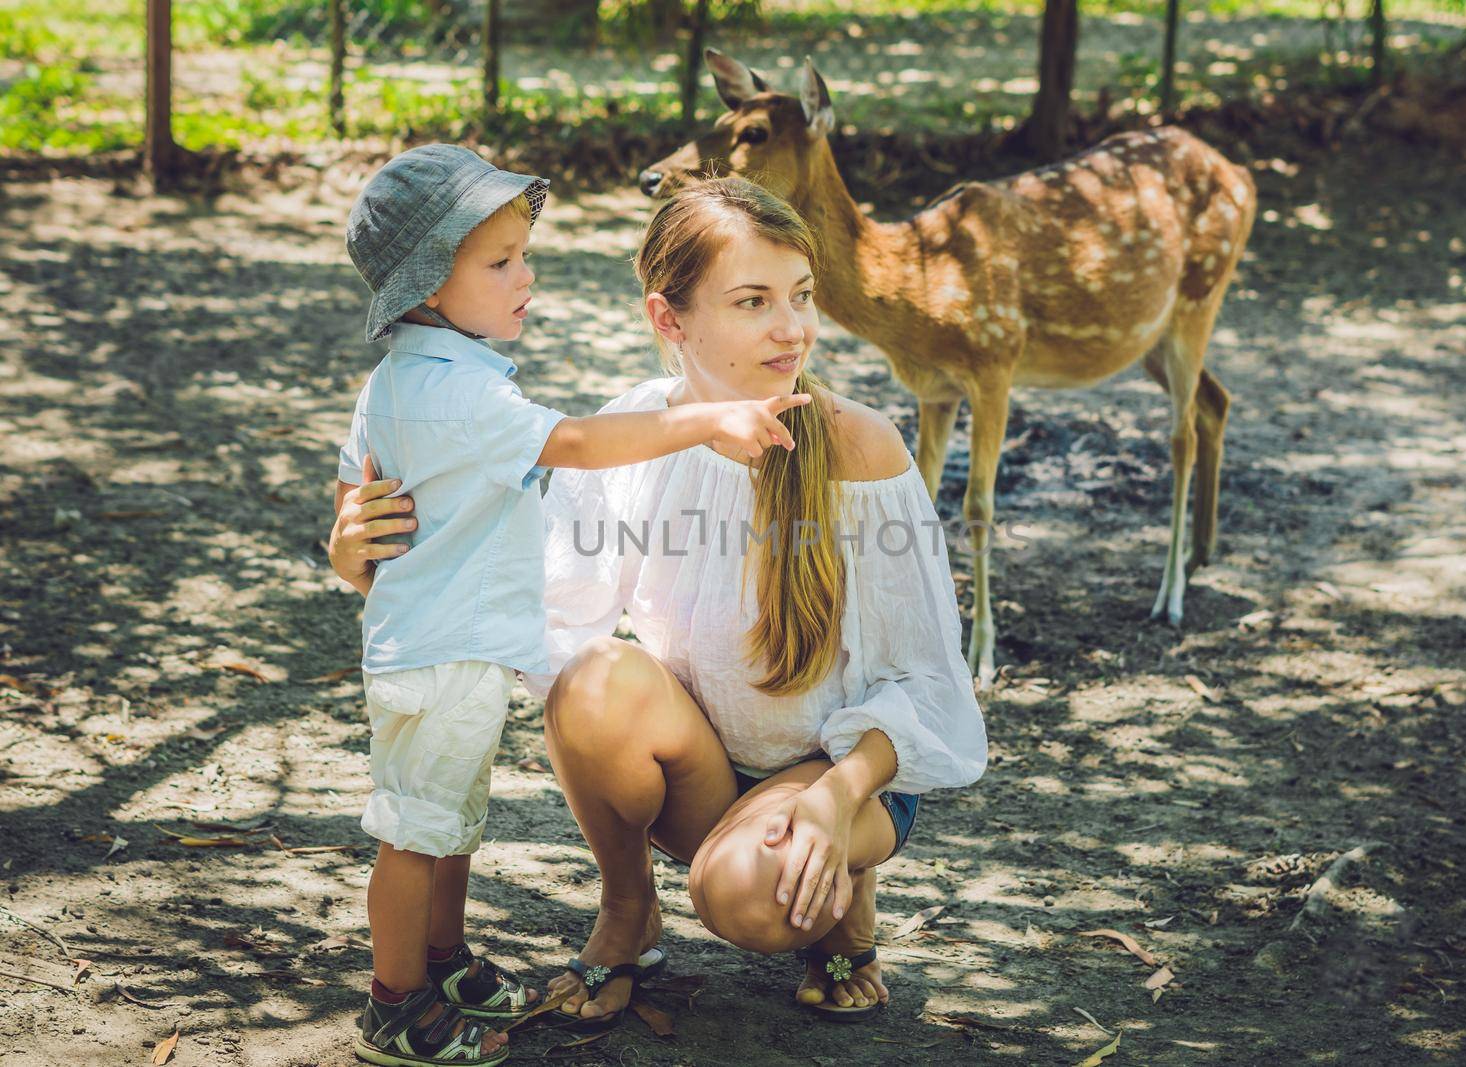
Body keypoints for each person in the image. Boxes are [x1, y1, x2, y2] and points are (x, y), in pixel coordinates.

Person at [330, 176, 986, 1035]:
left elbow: (930, 681)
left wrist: (834, 796)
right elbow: (541, 607)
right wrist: (359, 557)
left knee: (745, 897)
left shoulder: (861, 446)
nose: (792, 328)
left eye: (800, 295)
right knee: (590, 678)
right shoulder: (637, 430)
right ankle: (628, 909)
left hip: (847, 773)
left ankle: (841, 894)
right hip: (706, 768)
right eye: (753, 301)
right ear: (668, 319)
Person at [337, 147, 811, 1067]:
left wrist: (344, 548)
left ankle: (447, 964)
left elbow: (354, 500)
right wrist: (708, 420)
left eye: (524, 252)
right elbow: (581, 442)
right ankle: (394, 1004)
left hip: (451, 645)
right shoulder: (458, 391)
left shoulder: (404, 379)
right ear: (429, 284)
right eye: (500, 261)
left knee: (449, 821)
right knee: (413, 830)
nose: (528, 275)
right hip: (441, 650)